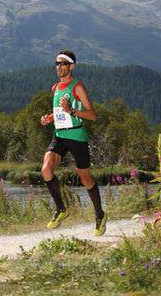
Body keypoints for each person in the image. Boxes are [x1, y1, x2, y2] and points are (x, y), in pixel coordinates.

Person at [40, 50, 107, 236]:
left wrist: (72, 111)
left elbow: (92, 115)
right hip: (60, 135)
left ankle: (100, 215)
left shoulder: (77, 87)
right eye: (57, 64)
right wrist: (49, 119)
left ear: (71, 66)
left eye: (63, 64)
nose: (59, 67)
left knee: (85, 178)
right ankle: (62, 210)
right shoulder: (55, 88)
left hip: (77, 136)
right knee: (46, 169)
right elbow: (59, 112)